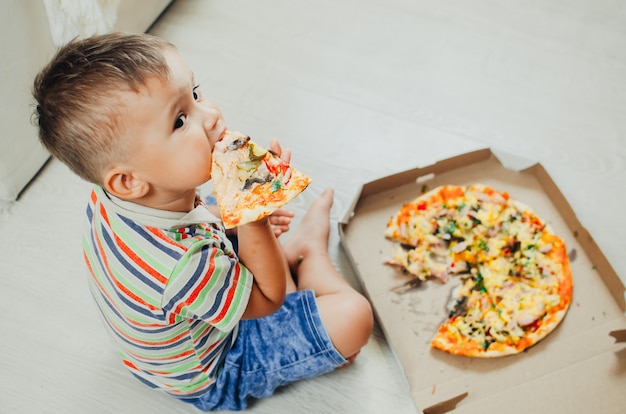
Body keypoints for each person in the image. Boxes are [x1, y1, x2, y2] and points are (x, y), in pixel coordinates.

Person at [32, 32, 373, 411]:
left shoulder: (111, 197)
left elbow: (194, 217)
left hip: (178, 325)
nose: (211, 116)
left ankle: (283, 257)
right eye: (180, 120)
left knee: (214, 201)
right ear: (128, 180)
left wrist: (235, 217)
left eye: (195, 93)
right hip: (218, 369)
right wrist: (252, 218)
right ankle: (307, 256)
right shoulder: (186, 266)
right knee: (355, 318)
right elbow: (268, 301)